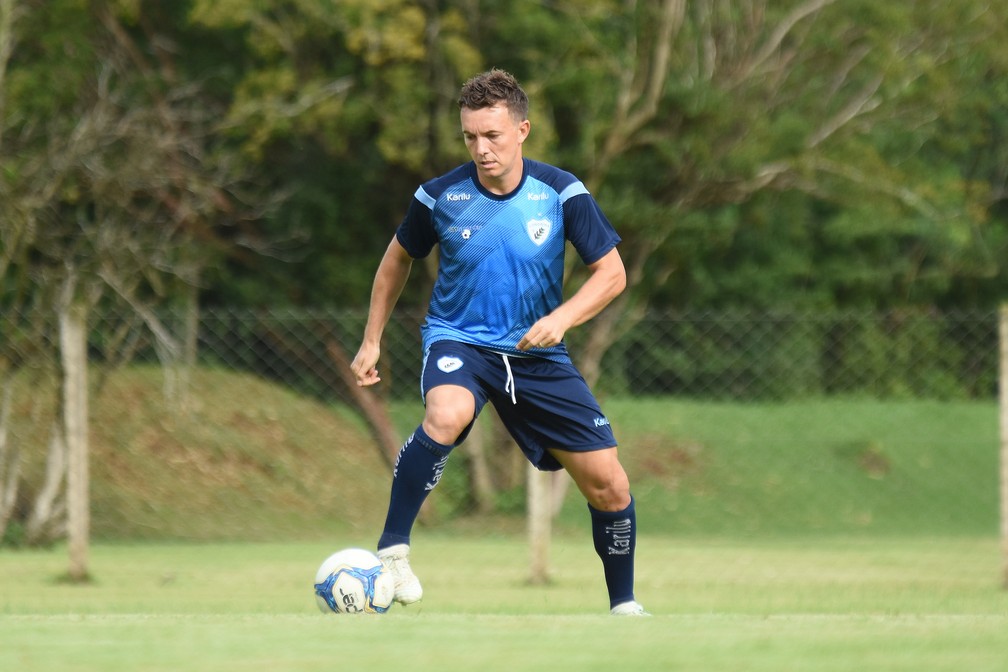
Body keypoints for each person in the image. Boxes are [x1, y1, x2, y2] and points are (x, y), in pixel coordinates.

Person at [349, 68, 646, 616]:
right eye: (470, 137)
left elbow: (612, 274)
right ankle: (392, 552)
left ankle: (624, 606)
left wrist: (563, 319)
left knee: (610, 484)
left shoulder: (561, 192)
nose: (481, 149)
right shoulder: (440, 196)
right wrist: (372, 340)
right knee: (446, 413)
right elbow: (396, 261)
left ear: (522, 130)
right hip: (460, 340)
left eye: (492, 135)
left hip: (537, 353)